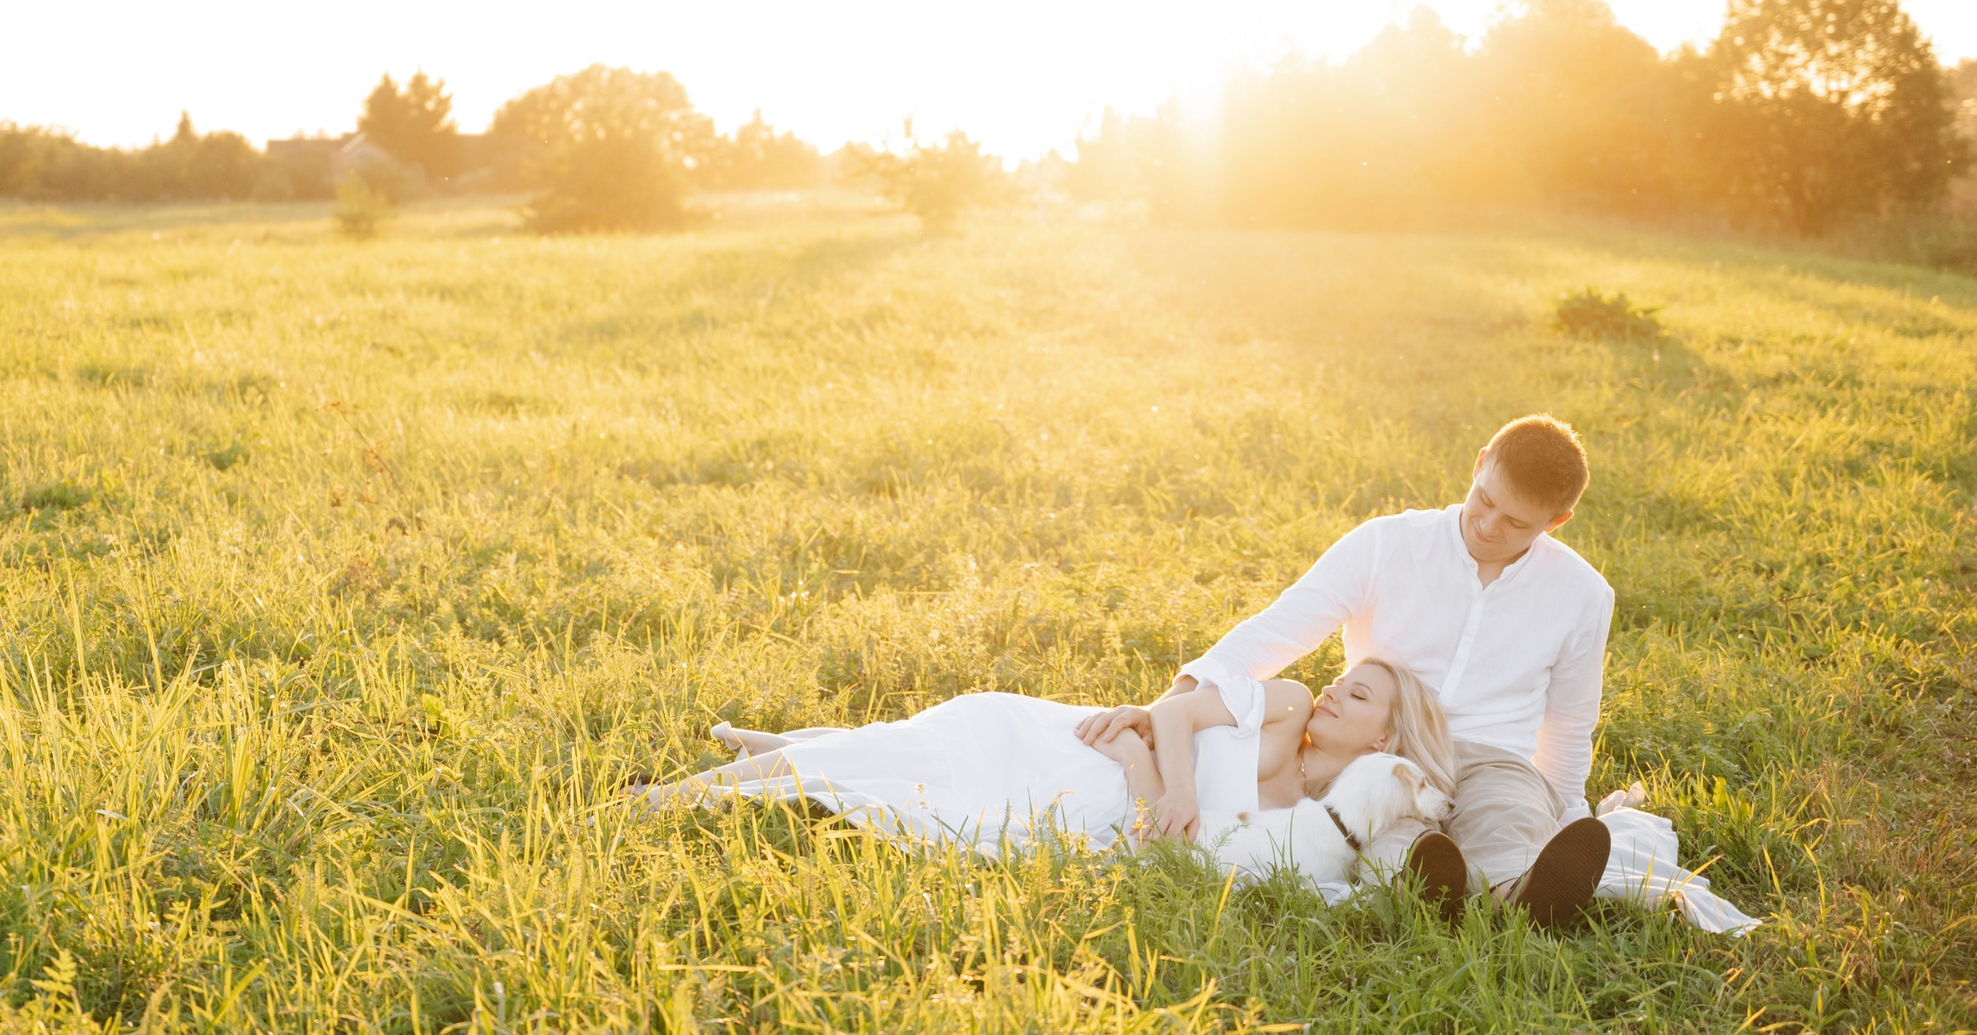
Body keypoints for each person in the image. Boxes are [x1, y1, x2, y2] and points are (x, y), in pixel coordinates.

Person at [1076, 413, 1615, 925]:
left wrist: (1567, 809)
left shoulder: (1583, 594)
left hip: (1491, 757)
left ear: (1557, 521)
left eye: (1515, 522)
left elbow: (1569, 719)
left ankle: (1519, 894)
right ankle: (1423, 892)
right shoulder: (1388, 543)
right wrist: (1174, 698)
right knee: (1389, 836)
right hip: (1377, 750)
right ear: (1478, 466)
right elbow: (1281, 626)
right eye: (1485, 499)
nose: (1488, 524)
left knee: (1509, 816)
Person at [633, 658, 1454, 865]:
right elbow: (1171, 711)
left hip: (1096, 802)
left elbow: (1169, 842)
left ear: (1386, 740)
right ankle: (658, 799)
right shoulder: (1290, 701)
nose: (1342, 688)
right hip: (1065, 745)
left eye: (1365, 693)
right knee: (898, 751)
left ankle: (795, 747)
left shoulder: (1313, 828)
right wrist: (1165, 781)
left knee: (902, 787)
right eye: (1350, 677)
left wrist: (1148, 785)